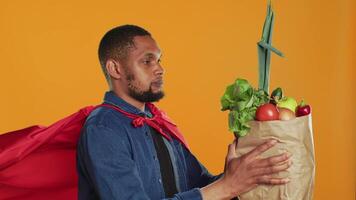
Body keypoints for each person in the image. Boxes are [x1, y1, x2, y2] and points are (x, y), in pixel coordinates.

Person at [76, 24, 292, 200]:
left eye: (159, 60)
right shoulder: (103, 130)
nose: (160, 68)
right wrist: (226, 186)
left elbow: (201, 185)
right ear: (115, 69)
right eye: (147, 60)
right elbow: (214, 192)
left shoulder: (159, 124)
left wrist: (242, 173)